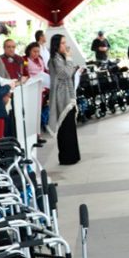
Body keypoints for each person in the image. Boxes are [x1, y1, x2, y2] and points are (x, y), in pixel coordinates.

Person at [47, 34, 80, 165]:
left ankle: (73, 156)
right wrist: (69, 59)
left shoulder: (61, 58)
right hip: (62, 97)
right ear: (56, 45)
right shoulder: (55, 59)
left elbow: (69, 72)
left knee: (70, 127)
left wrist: (75, 69)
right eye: (62, 43)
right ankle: (67, 157)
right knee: (65, 127)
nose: (65, 46)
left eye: (65, 42)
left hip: (68, 95)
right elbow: (65, 74)